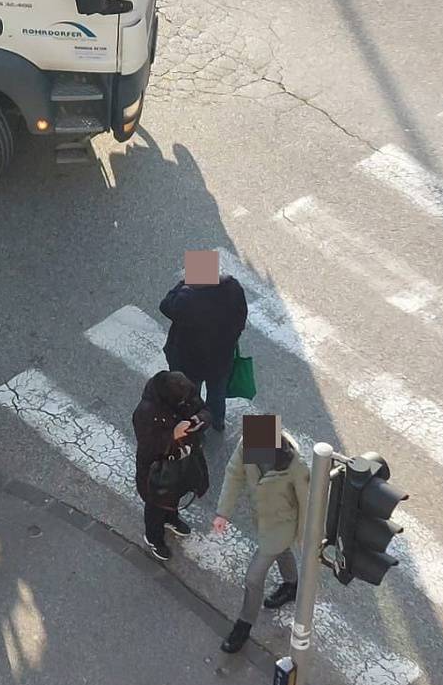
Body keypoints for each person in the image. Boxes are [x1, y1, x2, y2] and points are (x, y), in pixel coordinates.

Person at [210, 417, 310, 655]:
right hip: (262, 519)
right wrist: (223, 512)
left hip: (283, 524)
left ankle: (244, 625)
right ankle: (292, 585)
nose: (248, 454)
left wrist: (304, 537)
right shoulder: (249, 444)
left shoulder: (295, 465)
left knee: (253, 578)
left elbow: (307, 503)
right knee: (281, 551)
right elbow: (234, 474)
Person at [159, 250, 247, 460]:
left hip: (190, 361)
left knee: (191, 398)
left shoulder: (187, 300)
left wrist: (183, 285)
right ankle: (217, 420)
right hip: (220, 358)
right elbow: (242, 318)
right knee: (217, 392)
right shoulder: (232, 289)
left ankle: (196, 430)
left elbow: (165, 305)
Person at [132, 370, 209, 562]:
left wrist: (197, 421)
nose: (186, 403)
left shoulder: (184, 393)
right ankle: (153, 537)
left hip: (181, 459)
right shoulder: (146, 412)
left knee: (174, 493)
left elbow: (205, 410)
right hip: (156, 469)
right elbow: (147, 446)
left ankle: (171, 518)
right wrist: (172, 435)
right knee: (155, 503)